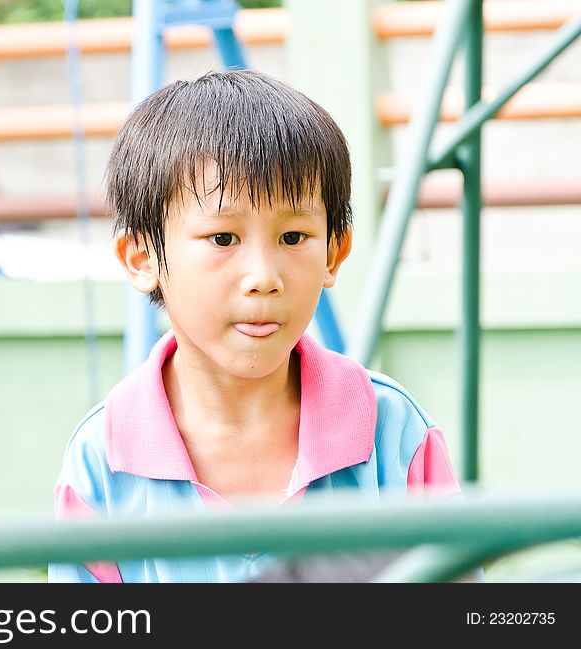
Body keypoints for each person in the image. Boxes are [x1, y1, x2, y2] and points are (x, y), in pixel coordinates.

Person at [48, 70, 463, 583]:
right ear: (141, 257)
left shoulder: (394, 431)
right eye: (223, 239)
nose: (263, 278)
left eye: (293, 236)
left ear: (335, 252)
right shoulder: (101, 460)